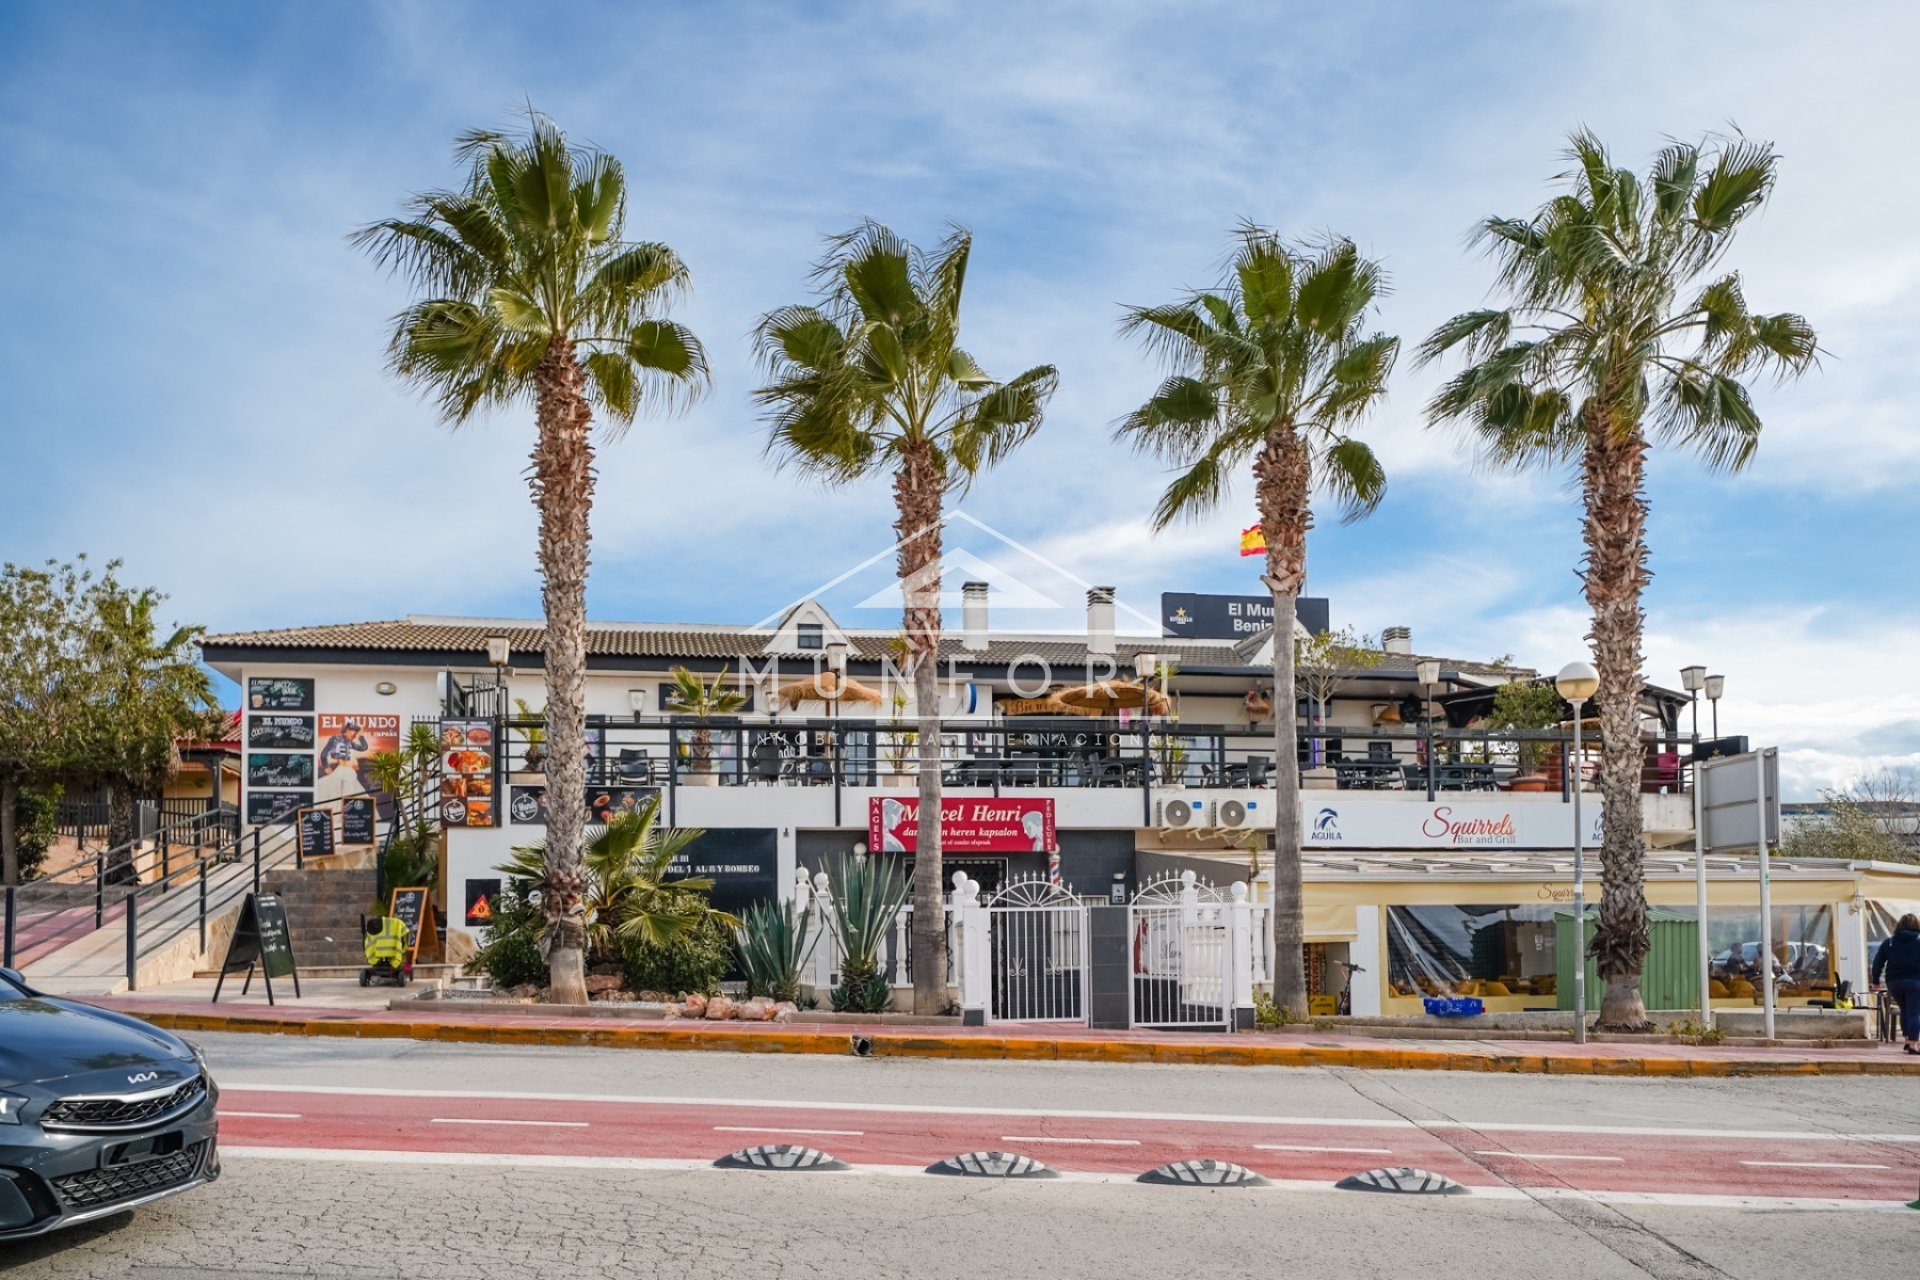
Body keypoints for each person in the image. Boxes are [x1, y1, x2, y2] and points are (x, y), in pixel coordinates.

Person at [1870, 912, 1920, 1054]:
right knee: (1915, 1012)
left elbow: (1878, 962)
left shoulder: (1889, 942)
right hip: (1916, 981)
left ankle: (1907, 1040)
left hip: (1894, 982)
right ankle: (1913, 1044)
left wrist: (1875, 980)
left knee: (1905, 1010)